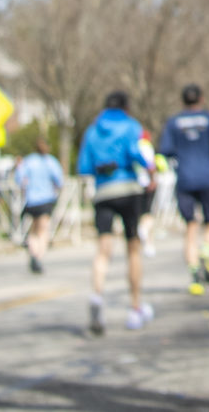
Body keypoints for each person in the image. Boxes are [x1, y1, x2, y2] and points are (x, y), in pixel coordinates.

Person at [77, 89, 157, 333]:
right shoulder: (130, 126)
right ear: (126, 107)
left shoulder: (92, 131)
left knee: (103, 249)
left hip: (103, 192)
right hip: (128, 188)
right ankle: (135, 308)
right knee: (133, 248)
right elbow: (136, 153)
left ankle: (97, 296)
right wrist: (150, 169)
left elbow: (83, 166)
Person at [157, 84, 209, 294]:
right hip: (207, 176)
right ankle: (206, 250)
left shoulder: (174, 122)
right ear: (202, 99)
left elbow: (166, 151)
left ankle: (195, 273)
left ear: (182, 101)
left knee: (190, 227)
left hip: (185, 178)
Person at [11, 138, 66, 275]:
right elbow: (59, 180)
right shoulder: (50, 161)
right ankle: (38, 257)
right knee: (43, 230)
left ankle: (33, 252)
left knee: (34, 230)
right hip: (45, 198)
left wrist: (26, 186)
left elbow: (18, 177)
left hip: (31, 200)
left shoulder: (29, 161)